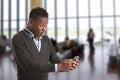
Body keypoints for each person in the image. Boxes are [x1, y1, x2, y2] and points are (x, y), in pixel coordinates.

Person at [12, 7, 79, 80]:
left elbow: (56, 60)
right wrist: (59, 66)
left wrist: (68, 65)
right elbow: (27, 65)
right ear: (31, 22)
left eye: (46, 25)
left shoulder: (46, 39)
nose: (44, 29)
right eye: (42, 25)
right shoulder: (18, 39)